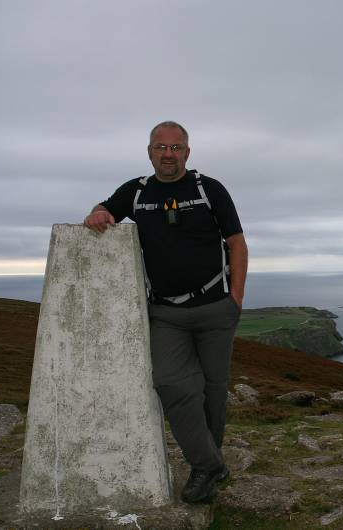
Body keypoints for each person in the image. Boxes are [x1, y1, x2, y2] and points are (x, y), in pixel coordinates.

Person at [84, 121, 248, 503]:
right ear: (150, 152)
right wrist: (98, 212)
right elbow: (106, 209)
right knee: (173, 383)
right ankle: (210, 464)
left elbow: (236, 243)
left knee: (212, 393)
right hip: (165, 313)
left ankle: (204, 469)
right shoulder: (137, 191)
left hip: (215, 309)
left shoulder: (210, 189)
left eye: (176, 148)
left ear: (187, 153)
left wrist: (236, 298)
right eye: (161, 147)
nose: (168, 154)